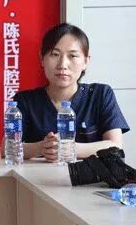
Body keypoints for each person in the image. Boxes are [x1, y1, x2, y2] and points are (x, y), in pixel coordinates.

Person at [14, 23, 129, 162]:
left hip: (91, 176)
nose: (63, 64)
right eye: (55, 54)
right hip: (38, 176)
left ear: (86, 61)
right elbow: (6, 147)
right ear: (42, 58)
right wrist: (41, 147)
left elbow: (115, 145)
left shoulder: (100, 94)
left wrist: (70, 148)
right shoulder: (26, 100)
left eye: (72, 56)